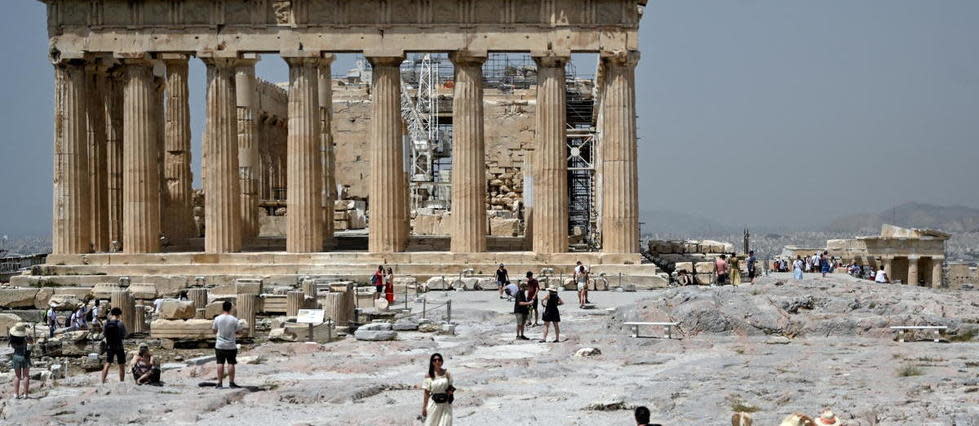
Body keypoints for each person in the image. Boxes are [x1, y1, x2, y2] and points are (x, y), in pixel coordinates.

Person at [212, 301, 244, 389]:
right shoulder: (234, 319)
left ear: (222, 308)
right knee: (231, 363)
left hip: (220, 344)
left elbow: (214, 330)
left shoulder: (218, 318)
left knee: (220, 363)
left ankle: (219, 383)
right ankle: (231, 382)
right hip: (231, 345)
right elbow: (239, 332)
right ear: (230, 308)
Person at [420, 353, 454, 426]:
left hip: (445, 403)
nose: (437, 361)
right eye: (435, 360)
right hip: (433, 404)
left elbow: (450, 386)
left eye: (439, 360)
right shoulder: (428, 375)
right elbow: (426, 393)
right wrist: (424, 408)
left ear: (442, 361)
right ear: (432, 362)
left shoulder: (447, 373)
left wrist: (450, 393)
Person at [101, 307, 128, 383]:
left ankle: (102, 381)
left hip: (110, 346)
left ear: (111, 314)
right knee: (121, 365)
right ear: (119, 314)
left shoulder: (106, 323)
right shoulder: (121, 323)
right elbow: (125, 335)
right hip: (119, 346)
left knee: (107, 363)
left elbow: (104, 334)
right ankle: (121, 382)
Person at [9, 322, 33, 399]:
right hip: (25, 356)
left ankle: (16, 394)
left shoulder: (13, 338)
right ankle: (25, 394)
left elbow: (13, 347)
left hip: (16, 356)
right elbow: (31, 344)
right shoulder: (26, 338)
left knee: (17, 376)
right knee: (26, 376)